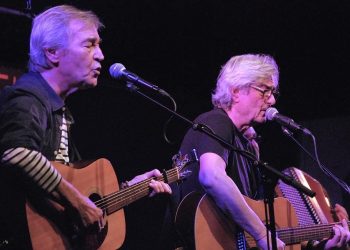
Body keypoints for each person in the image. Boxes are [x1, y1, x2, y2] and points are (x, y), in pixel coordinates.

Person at [0, 5, 171, 249]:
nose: (100, 55)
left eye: (99, 45)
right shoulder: (27, 98)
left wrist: (128, 189)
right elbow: (16, 153)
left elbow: (71, 185)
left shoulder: (61, 112)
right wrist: (78, 204)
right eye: (89, 44)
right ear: (52, 52)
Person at [161, 54, 285, 250]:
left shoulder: (249, 146)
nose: (271, 101)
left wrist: (320, 241)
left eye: (273, 92)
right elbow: (211, 176)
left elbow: (250, 212)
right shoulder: (216, 121)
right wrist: (262, 235)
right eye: (264, 91)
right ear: (236, 92)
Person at [246, 126, 350, 250]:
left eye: (254, 139)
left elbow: (303, 244)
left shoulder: (265, 182)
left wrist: (327, 244)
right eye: (245, 139)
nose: (252, 145)